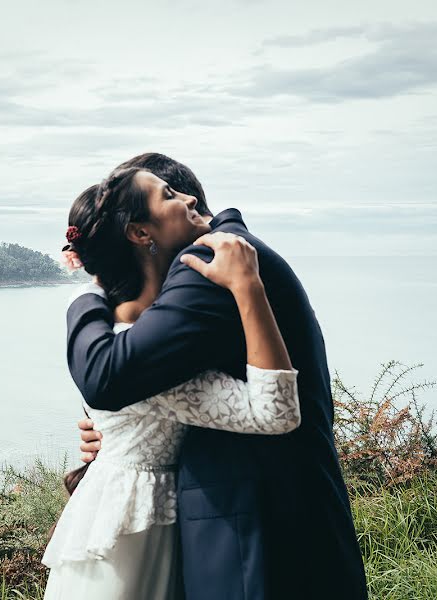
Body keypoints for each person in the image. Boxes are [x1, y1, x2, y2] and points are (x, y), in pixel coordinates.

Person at [66, 154, 367, 599]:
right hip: (158, 532)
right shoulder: (217, 260)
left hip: (256, 532)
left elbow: (107, 376)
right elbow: (124, 385)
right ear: (139, 232)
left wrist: (85, 297)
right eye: (170, 196)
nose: (191, 203)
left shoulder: (209, 264)